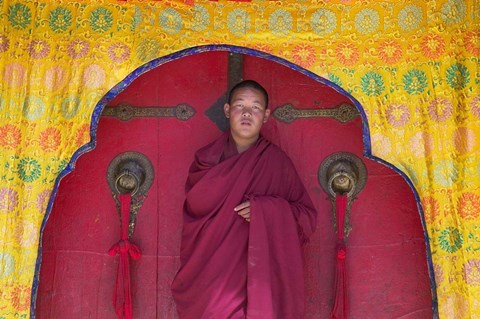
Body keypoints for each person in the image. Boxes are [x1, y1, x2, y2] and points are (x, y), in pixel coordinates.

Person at [171, 80, 318, 319]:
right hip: (211, 279)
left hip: (259, 277)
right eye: (240, 105)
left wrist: (266, 211)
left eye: (256, 107)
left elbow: (307, 219)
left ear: (266, 115)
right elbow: (195, 216)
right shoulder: (206, 162)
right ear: (228, 110)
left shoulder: (277, 163)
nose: (247, 113)